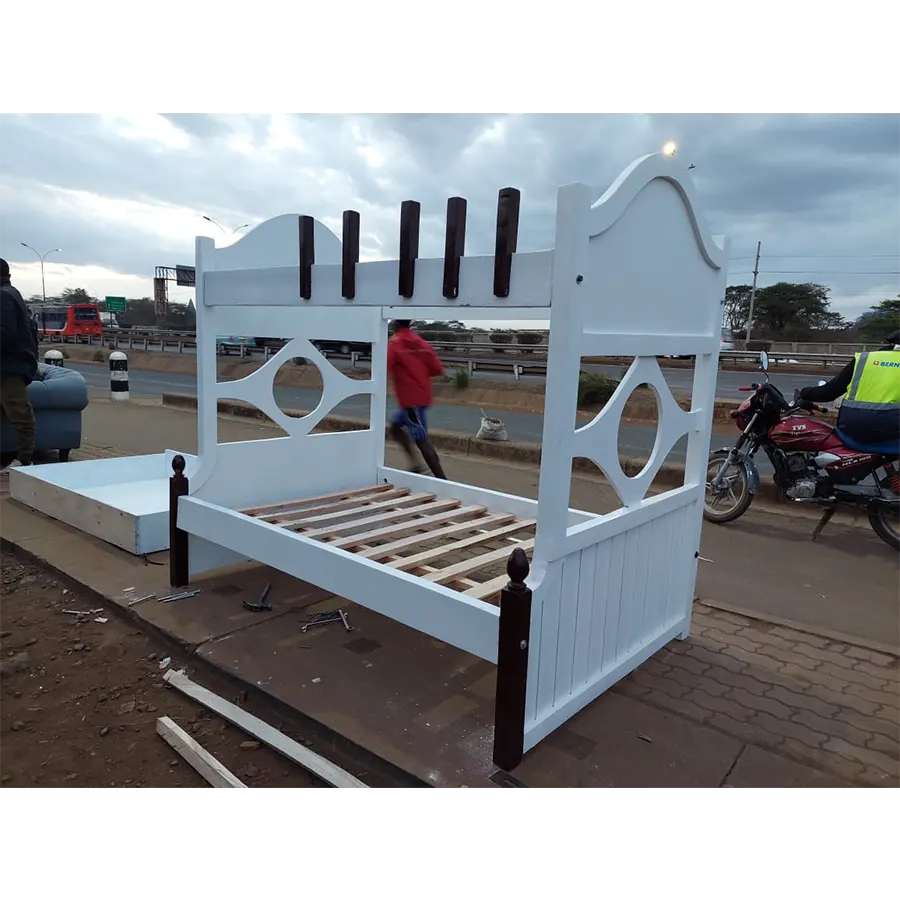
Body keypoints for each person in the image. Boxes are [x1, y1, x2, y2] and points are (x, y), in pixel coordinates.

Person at [799, 329, 900, 445]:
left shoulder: (865, 359)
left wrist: (804, 393)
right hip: (891, 429)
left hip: (851, 425)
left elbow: (827, 393)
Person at [386, 320, 447, 478]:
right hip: (422, 396)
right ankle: (415, 465)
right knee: (395, 427)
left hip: (410, 400)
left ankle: (443, 481)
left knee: (421, 440)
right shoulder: (421, 342)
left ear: (395, 323)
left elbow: (384, 366)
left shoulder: (395, 343)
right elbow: (437, 369)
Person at [0, 258, 38, 468]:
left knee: (19, 414)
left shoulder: (3, 297)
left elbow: (5, 333)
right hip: (10, 364)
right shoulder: (10, 293)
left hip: (10, 366)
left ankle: (25, 461)